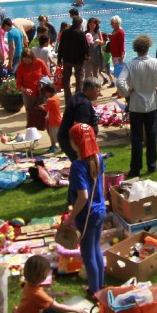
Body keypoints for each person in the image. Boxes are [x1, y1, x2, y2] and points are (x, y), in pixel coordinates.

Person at [116, 34, 157, 176]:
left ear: (135, 48)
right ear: (148, 47)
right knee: (151, 136)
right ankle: (152, 165)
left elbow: (119, 82)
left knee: (136, 138)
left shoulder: (130, 65)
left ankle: (135, 168)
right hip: (151, 104)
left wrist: (127, 92)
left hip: (136, 106)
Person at [67, 123, 106, 295]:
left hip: (86, 216)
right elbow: (102, 183)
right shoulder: (98, 158)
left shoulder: (78, 166)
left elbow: (83, 196)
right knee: (96, 248)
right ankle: (100, 285)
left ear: (75, 143)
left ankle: (94, 291)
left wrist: (70, 218)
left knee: (88, 254)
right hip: (100, 210)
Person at [14, 254, 87, 313]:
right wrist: (77, 310)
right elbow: (58, 307)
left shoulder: (28, 285)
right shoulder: (37, 294)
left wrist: (59, 294)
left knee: (50, 310)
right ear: (43, 276)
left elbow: (45, 292)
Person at [58, 77, 102, 160]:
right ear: (89, 90)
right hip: (73, 142)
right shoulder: (83, 104)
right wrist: (80, 148)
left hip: (66, 139)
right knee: (85, 165)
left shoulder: (79, 97)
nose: (99, 94)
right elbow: (78, 129)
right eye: (97, 91)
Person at [58, 15, 88, 103]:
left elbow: (61, 46)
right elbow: (85, 46)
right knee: (79, 79)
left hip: (67, 59)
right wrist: (87, 55)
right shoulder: (81, 33)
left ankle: (68, 99)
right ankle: (78, 99)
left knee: (66, 79)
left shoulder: (65, 33)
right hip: (78, 60)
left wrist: (59, 59)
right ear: (80, 24)